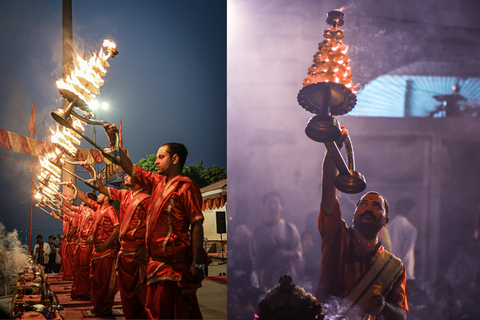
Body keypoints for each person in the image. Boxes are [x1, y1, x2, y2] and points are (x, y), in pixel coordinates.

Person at [103, 123, 206, 320]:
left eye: (161, 157)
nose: (156, 162)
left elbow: (196, 224)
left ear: (175, 159)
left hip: (176, 266)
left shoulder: (186, 187)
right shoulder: (157, 183)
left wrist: (197, 263)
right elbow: (129, 167)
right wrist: (114, 142)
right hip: (156, 264)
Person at [315, 130, 408, 320]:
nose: (368, 208)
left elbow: (401, 316)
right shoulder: (337, 235)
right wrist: (334, 149)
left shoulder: (393, 267)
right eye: (363, 204)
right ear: (353, 214)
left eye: (376, 206)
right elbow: (328, 188)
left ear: (386, 220)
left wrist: (384, 308)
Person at [82, 162, 150, 320]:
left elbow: (151, 224)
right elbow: (103, 189)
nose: (125, 176)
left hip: (137, 252)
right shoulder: (125, 195)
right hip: (124, 252)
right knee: (126, 293)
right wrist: (92, 170)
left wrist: (145, 247)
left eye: (129, 174)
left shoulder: (146, 199)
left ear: (138, 178)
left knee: (139, 292)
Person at [67, 182, 120, 317]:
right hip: (96, 251)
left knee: (104, 283)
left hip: (106, 251)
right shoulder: (98, 208)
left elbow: (117, 228)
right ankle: (98, 306)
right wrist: (73, 187)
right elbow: (85, 199)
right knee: (96, 281)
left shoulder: (111, 210)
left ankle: (104, 307)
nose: (98, 195)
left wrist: (106, 243)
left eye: (101, 194)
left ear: (107, 198)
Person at [251, 191, 302, 291]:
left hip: (287, 279)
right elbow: (254, 257)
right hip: (265, 281)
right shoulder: (258, 232)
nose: (272, 206)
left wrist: (286, 254)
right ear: (264, 206)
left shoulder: (290, 229)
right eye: (269, 203)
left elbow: (299, 254)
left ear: (281, 206)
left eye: (275, 202)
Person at [61, 192, 97, 300]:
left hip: (87, 244)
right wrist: (60, 197)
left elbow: (97, 225)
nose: (82, 200)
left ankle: (87, 290)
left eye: (85, 198)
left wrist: (93, 237)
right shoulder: (83, 209)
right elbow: (69, 207)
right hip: (80, 244)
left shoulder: (95, 211)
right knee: (78, 269)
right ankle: (80, 290)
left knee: (86, 269)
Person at [388, 198, 418, 281]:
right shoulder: (410, 229)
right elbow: (407, 253)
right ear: (408, 211)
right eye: (413, 212)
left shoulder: (388, 226)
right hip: (403, 274)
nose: (413, 215)